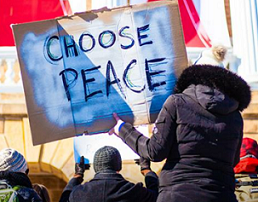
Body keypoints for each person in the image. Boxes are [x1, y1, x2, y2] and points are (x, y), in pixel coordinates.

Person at [109, 64, 251, 202]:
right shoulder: (235, 116)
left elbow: (155, 151)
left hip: (178, 193)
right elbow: (234, 161)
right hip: (222, 194)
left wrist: (122, 129)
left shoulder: (176, 102)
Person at [59, 146, 158, 202]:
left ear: (96, 167)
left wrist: (78, 175)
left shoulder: (79, 193)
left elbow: (64, 199)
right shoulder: (133, 191)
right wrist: (146, 170)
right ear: (119, 166)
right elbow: (159, 196)